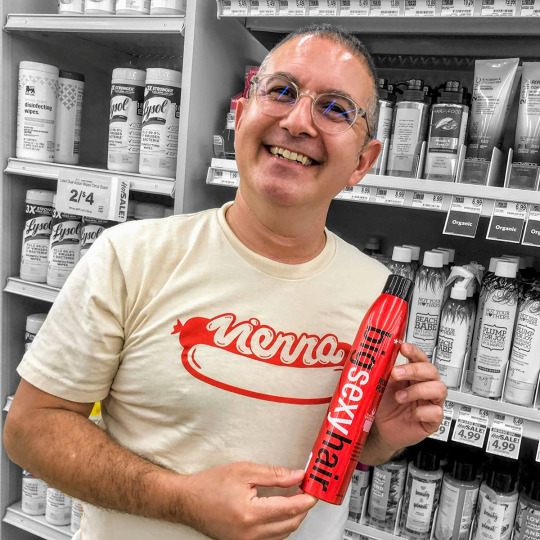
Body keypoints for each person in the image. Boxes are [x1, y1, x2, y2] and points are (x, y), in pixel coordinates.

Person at [4, 24, 446, 540]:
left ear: (362, 162)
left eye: (334, 108)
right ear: (241, 115)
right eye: (281, 91)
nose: (298, 121)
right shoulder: (131, 256)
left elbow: (346, 445)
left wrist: (383, 438)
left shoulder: (380, 295)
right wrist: (183, 500)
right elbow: (31, 429)